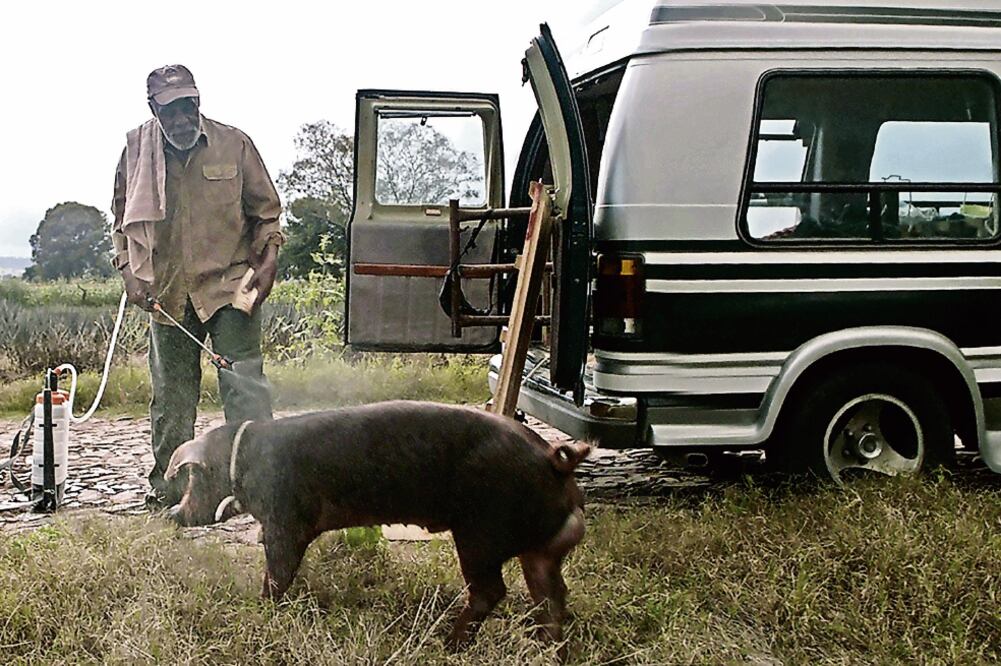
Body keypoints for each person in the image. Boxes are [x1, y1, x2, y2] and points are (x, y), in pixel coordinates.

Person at [110, 64, 284, 510]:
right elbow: (120, 224)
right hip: (165, 292)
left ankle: (257, 487)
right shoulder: (135, 152)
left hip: (230, 285)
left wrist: (267, 265)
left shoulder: (234, 144)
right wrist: (129, 272)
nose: (183, 117)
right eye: (172, 110)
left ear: (199, 100)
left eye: (189, 105)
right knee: (171, 398)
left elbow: (266, 215)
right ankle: (171, 489)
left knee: (245, 387)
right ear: (154, 109)